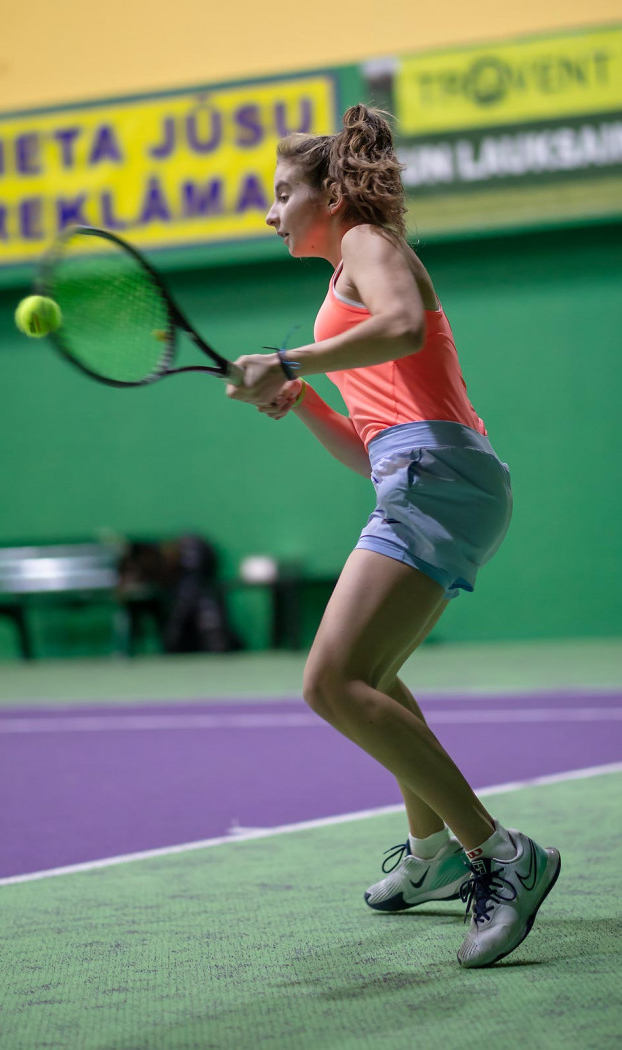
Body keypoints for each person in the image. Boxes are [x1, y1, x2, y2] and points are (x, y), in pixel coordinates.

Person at [226, 104, 560, 969]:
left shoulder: (368, 244)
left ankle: (500, 853)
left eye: (283, 193)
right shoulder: (340, 288)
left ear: (332, 196)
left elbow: (406, 324)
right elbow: (371, 447)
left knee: (331, 680)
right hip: (424, 474)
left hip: (439, 475)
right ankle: (433, 853)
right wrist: (303, 400)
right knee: (368, 674)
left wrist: (290, 361)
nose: (270, 212)